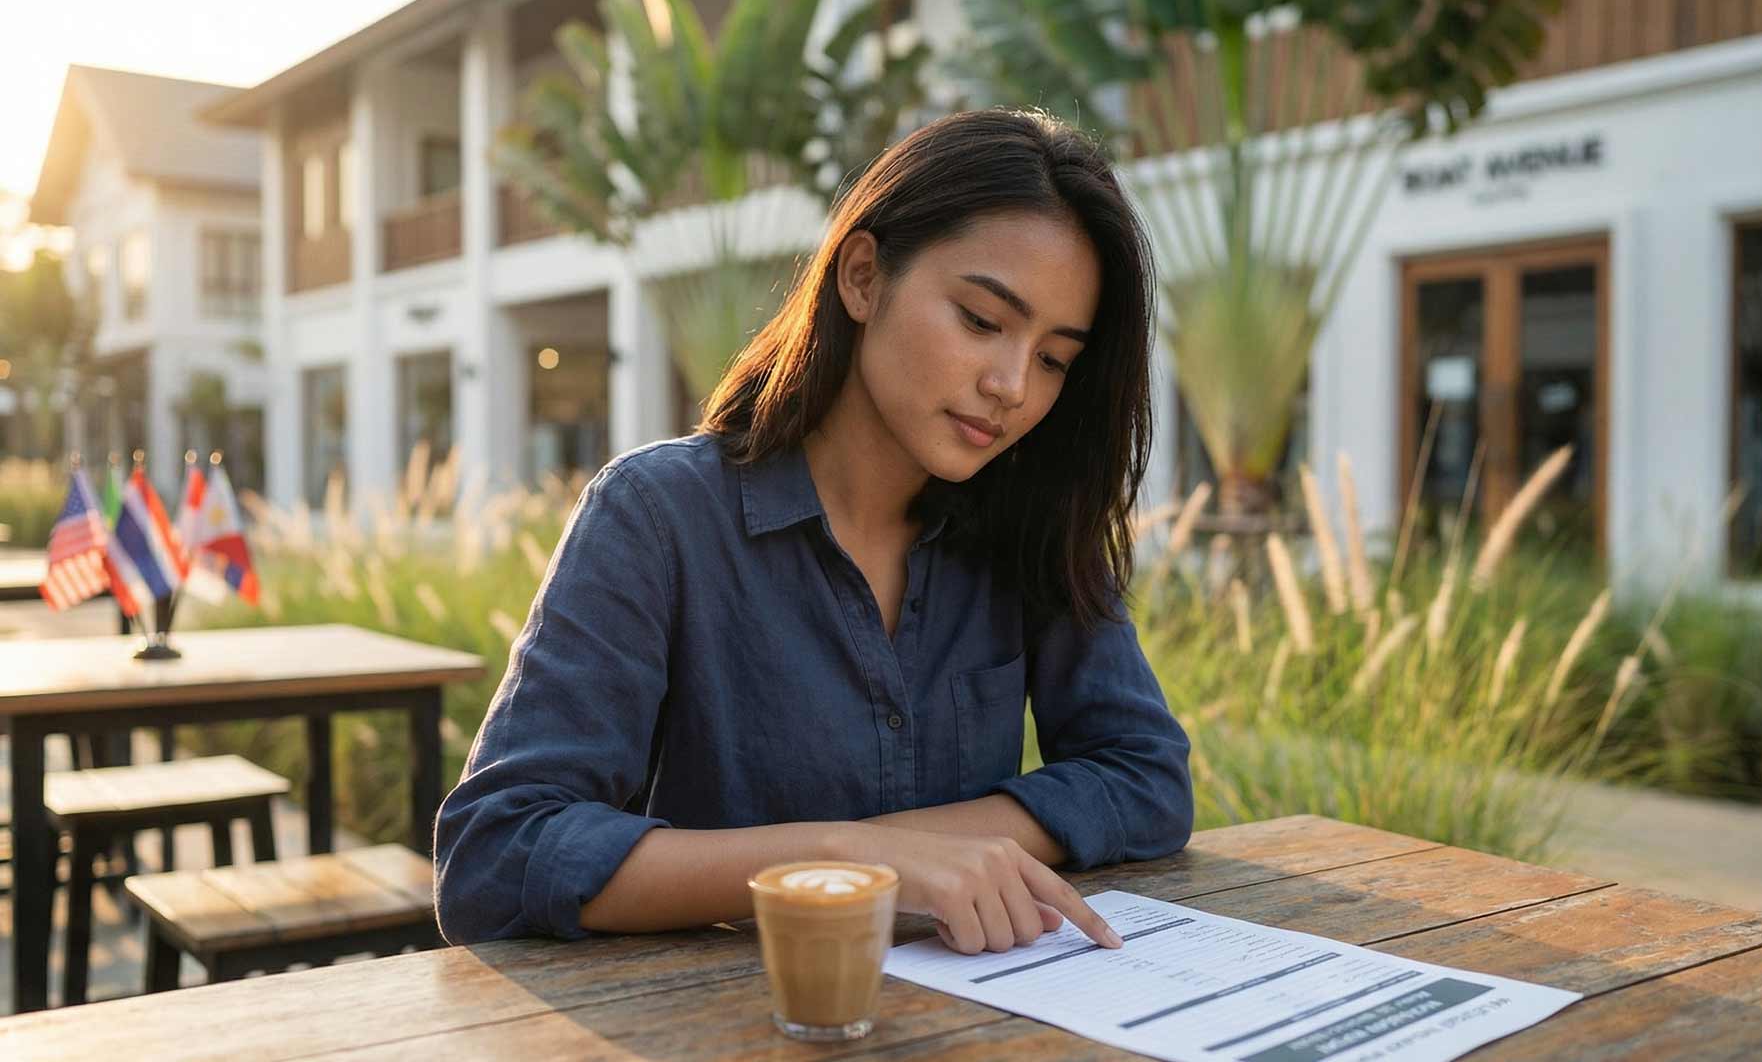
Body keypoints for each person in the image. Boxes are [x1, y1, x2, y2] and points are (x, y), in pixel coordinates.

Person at [434, 108, 1194, 958]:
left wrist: (930, 852)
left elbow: (1145, 774)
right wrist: (850, 858)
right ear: (864, 277)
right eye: (982, 320)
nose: (1012, 385)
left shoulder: (1030, 522)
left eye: (1054, 358)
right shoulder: (657, 518)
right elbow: (496, 855)